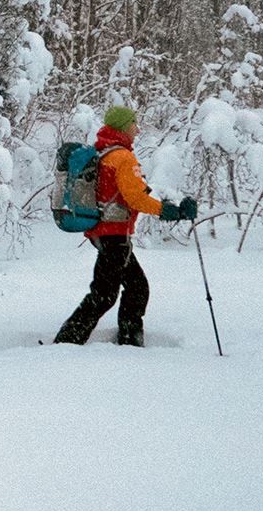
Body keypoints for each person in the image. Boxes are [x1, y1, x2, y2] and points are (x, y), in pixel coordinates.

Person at [51, 105, 196, 347]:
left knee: (135, 288)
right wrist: (167, 211)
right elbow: (135, 197)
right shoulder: (122, 158)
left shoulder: (105, 153)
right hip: (114, 235)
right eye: (133, 124)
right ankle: (69, 343)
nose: (137, 130)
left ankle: (127, 341)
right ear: (122, 126)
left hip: (106, 233)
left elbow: (132, 193)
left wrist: (166, 206)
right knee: (106, 295)